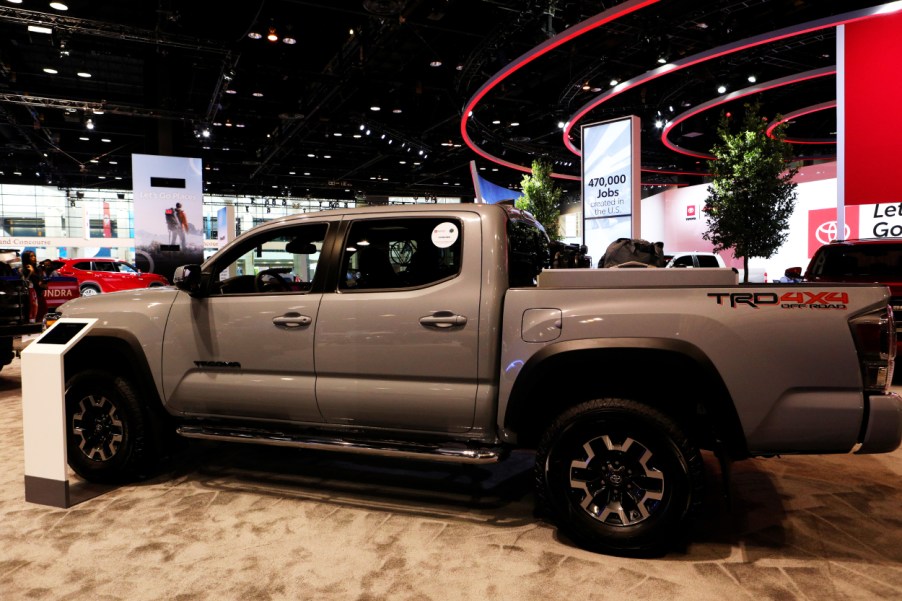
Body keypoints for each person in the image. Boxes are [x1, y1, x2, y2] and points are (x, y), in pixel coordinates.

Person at [20, 250, 47, 320]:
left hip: (39, 293)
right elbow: (24, 282)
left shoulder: (38, 269)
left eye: (34, 256)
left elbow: (40, 280)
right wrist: (31, 272)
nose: (34, 258)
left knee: (41, 314)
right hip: (28, 296)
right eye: (31, 256)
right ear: (26, 258)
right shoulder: (21, 270)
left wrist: (34, 273)